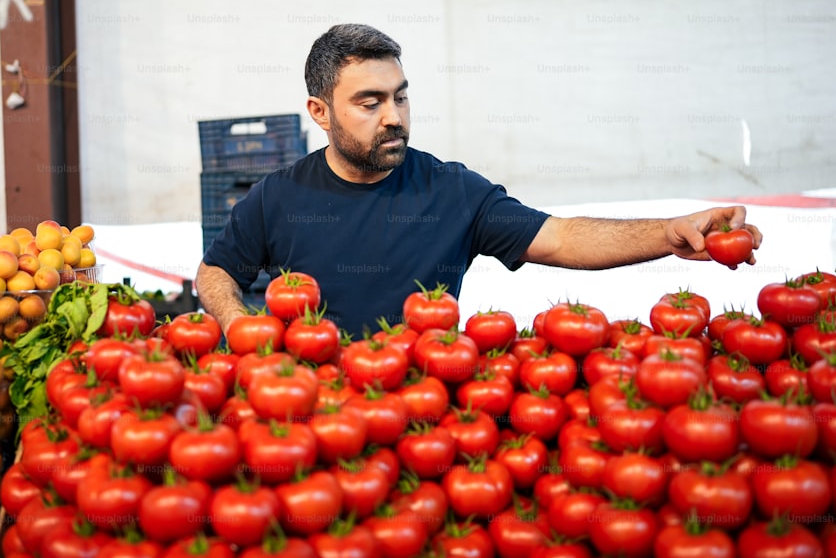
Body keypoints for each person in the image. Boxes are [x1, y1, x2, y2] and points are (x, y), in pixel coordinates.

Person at [196, 23, 762, 336]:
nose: (394, 116)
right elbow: (217, 269)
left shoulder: (452, 191)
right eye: (370, 102)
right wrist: (235, 318)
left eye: (401, 96)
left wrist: (670, 232)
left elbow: (561, 237)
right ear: (320, 112)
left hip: (428, 415)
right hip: (307, 411)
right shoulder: (278, 196)